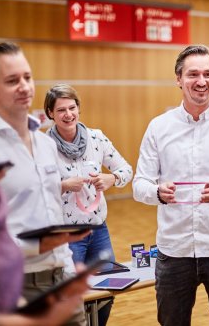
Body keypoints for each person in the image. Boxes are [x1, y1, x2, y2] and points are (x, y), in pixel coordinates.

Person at [0, 25, 90, 325]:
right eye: (11, 81)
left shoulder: (44, 143)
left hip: (59, 275)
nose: (24, 87)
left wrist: (62, 259)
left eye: (27, 77)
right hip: (16, 283)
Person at [133, 44, 209, 326]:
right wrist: (157, 193)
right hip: (174, 252)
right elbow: (139, 184)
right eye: (192, 74)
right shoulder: (158, 127)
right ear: (178, 79)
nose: (201, 82)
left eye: (207, 74)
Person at [44, 83, 133, 326]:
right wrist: (63, 185)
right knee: (73, 297)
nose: (68, 114)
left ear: (78, 109)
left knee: (108, 288)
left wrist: (111, 178)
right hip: (66, 236)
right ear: (50, 113)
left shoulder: (96, 137)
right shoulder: (43, 146)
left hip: (98, 231)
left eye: (72, 107)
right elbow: (33, 188)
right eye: (61, 110)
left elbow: (126, 170)